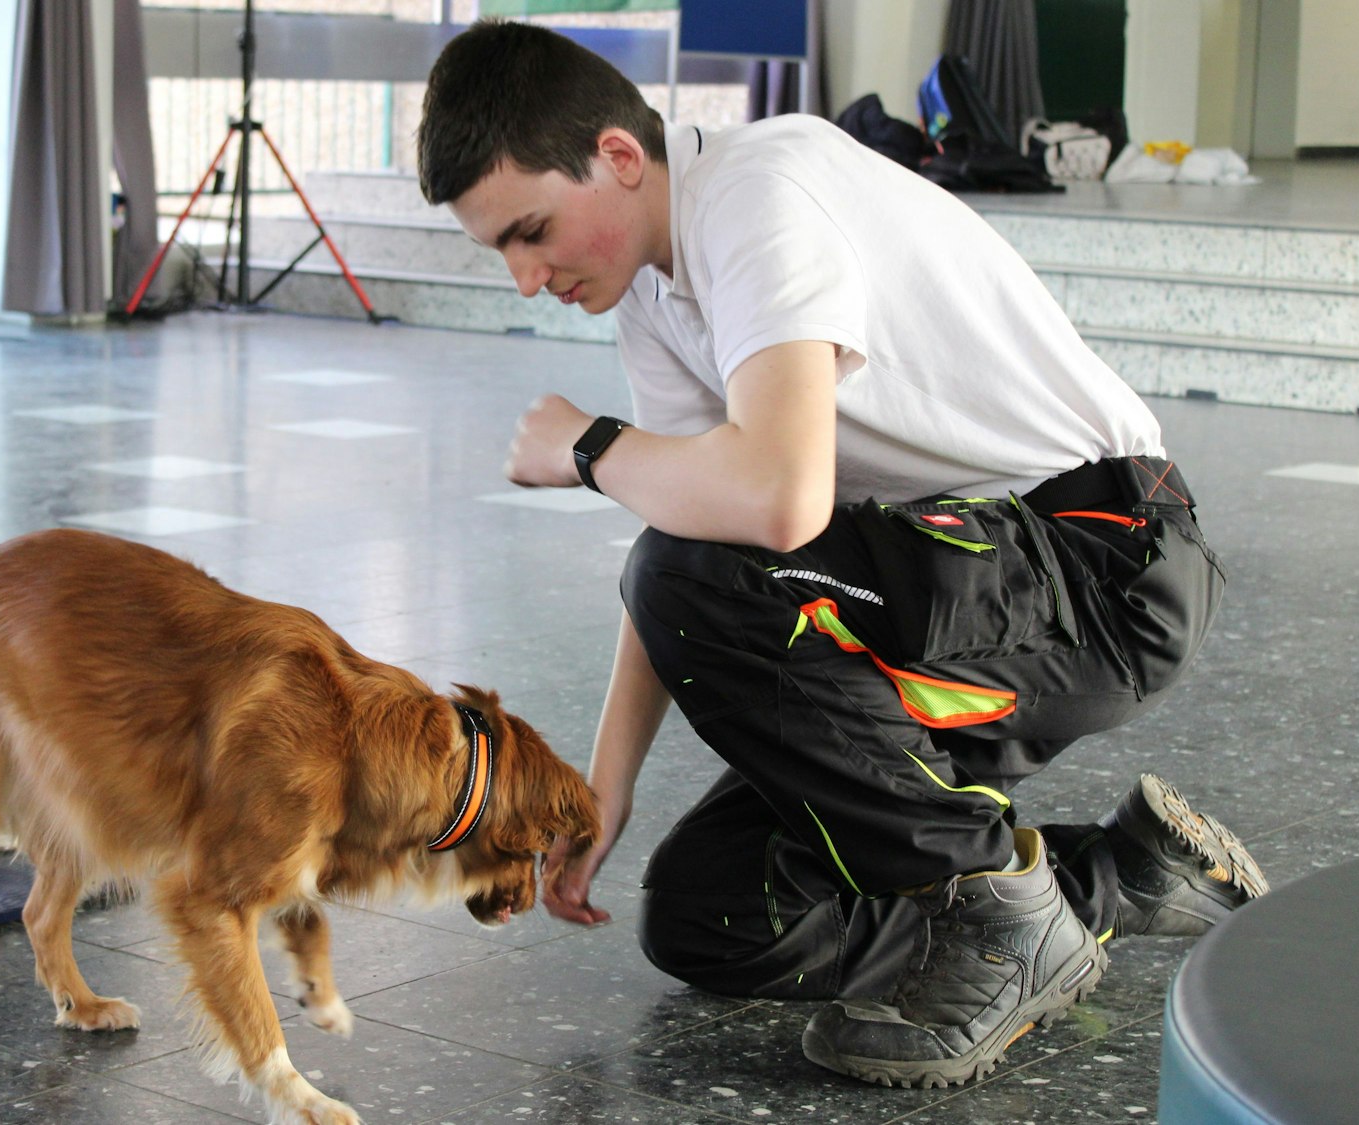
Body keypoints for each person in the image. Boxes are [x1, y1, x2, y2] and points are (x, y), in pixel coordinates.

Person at [417, 20, 1268, 1089]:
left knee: (688, 575)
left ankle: (999, 915)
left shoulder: (756, 196)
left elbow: (775, 502)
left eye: (529, 232)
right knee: (711, 915)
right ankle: (1107, 883)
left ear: (617, 159)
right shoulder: (649, 281)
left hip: (1099, 566)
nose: (523, 277)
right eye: (499, 247)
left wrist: (588, 448)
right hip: (949, 577)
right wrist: (602, 789)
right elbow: (690, 524)